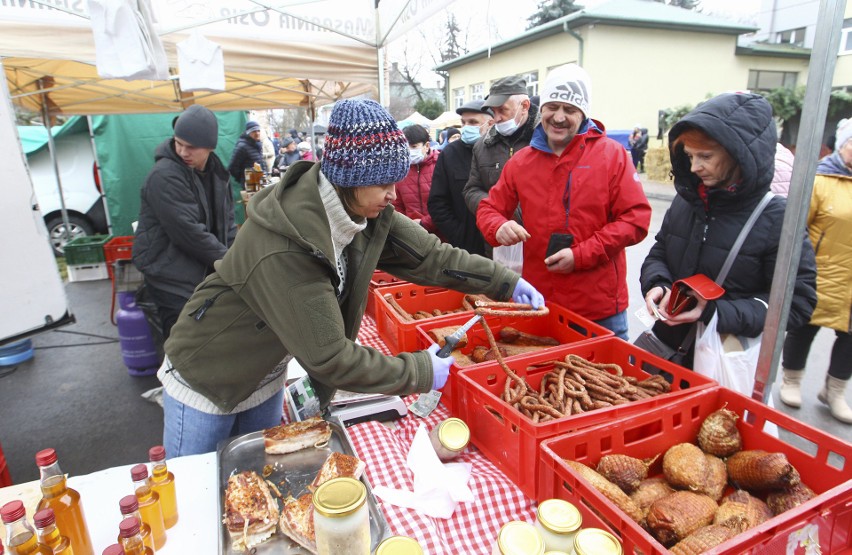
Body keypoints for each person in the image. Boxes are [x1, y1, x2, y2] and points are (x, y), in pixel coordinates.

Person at [158, 99, 544, 455]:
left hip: (264, 373)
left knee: (258, 473)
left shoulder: (365, 212)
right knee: (202, 494)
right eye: (383, 184)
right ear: (347, 178)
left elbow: (432, 256)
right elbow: (330, 358)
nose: (394, 194)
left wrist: (503, 281)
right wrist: (419, 370)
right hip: (206, 376)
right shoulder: (288, 243)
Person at [639, 92, 817, 368]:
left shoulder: (777, 218)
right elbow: (660, 251)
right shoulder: (688, 200)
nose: (695, 167)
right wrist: (657, 284)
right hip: (666, 352)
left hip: (724, 364)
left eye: (705, 156)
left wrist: (713, 313)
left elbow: (796, 304)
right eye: (688, 156)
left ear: (739, 155)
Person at [476, 64, 651, 339]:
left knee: (607, 378)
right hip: (540, 299)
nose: (558, 117)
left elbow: (635, 220)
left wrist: (581, 255)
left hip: (599, 308)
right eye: (552, 107)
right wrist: (497, 226)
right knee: (542, 378)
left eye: (569, 110)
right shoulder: (522, 161)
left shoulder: (612, 156)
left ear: (583, 114)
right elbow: (489, 208)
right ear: (541, 109)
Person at [132, 104, 236, 339]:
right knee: (180, 347)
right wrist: (231, 264)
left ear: (209, 147)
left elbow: (227, 225)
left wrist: (238, 256)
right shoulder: (164, 175)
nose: (183, 152)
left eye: (191, 147)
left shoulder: (218, 173)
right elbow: (189, 233)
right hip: (169, 274)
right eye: (179, 143)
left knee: (205, 343)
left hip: (199, 272)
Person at [779, 118, 852, 423]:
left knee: (850, 337)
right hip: (821, 270)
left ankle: (834, 391)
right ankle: (792, 380)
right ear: (842, 146)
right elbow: (797, 229)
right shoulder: (821, 179)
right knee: (804, 326)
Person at [462, 75, 539, 242]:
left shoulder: (546, 141)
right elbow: (472, 190)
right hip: (501, 241)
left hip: (540, 242)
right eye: (493, 112)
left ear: (524, 106)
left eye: (502, 110)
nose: (496, 118)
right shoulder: (482, 146)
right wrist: (496, 216)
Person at [428, 99, 494, 256]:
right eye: (463, 123)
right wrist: (458, 234)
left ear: (490, 123)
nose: (466, 128)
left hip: (499, 241)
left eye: (473, 122)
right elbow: (437, 202)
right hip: (465, 247)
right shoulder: (450, 154)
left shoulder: (499, 151)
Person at [392, 124, 440, 234]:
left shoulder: (440, 166)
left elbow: (447, 203)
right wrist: (406, 226)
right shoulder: (401, 170)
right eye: (406, 147)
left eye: (413, 147)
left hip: (441, 232)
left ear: (426, 146)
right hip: (411, 233)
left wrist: (425, 223)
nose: (409, 151)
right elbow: (396, 204)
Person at [228, 120, 268, 186]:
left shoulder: (257, 145)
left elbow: (260, 162)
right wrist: (244, 179)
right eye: (254, 131)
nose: (257, 133)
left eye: (258, 131)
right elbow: (232, 168)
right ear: (248, 133)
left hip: (260, 183)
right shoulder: (242, 146)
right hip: (250, 186)